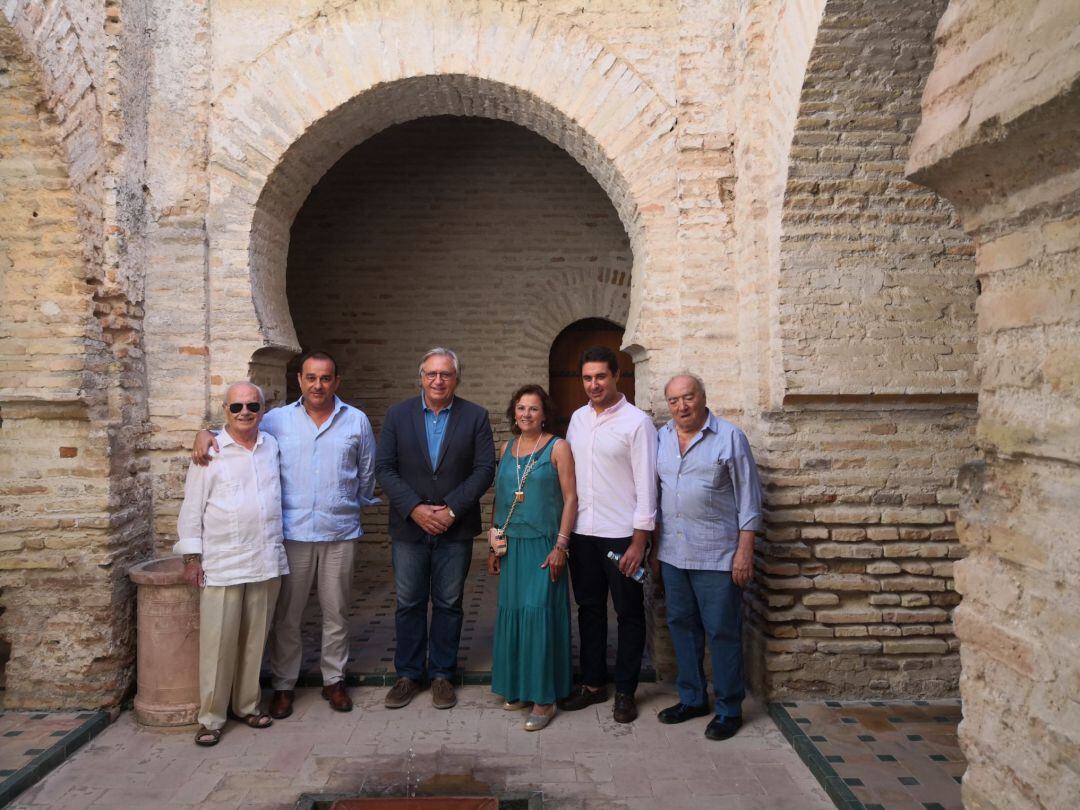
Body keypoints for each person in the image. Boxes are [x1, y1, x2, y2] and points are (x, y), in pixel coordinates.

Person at [192, 351, 378, 717]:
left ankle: (334, 680)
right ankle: (283, 685)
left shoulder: (356, 421)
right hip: (292, 535)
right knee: (287, 616)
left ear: (336, 382)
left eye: (325, 378)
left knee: (336, 612)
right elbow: (239, 427)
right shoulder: (276, 420)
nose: (318, 385)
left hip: (339, 532)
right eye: (311, 378)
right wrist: (206, 432)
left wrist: (346, 503)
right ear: (300, 381)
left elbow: (367, 473)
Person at [375, 348, 496, 710]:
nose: (438, 380)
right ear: (421, 377)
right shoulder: (398, 415)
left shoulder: (475, 416)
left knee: (449, 603)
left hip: (454, 529)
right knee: (409, 602)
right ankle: (408, 674)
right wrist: (414, 508)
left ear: (457, 378)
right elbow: (384, 467)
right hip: (409, 528)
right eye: (431, 374)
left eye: (445, 374)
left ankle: (442, 674)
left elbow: (484, 469)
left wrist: (453, 510)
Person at [176, 382, 288, 746]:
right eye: (236, 406)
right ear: (224, 410)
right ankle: (210, 717)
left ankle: (248, 705)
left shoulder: (271, 446)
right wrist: (192, 557)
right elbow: (192, 508)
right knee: (218, 643)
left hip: (264, 558)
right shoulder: (209, 451)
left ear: (263, 409)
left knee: (255, 640)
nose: (244, 412)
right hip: (222, 561)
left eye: (252, 406)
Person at [651, 373, 762, 741]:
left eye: (688, 397)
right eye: (674, 400)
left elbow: (749, 500)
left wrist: (744, 551)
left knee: (722, 632)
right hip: (672, 554)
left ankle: (729, 709)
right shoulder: (661, 438)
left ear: (702, 397)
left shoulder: (730, 437)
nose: (682, 406)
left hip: (717, 555)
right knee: (681, 628)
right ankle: (693, 698)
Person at [560, 346, 658, 724]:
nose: (593, 384)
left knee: (629, 613)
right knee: (588, 610)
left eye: (600, 376)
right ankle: (594, 684)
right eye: (587, 378)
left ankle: (626, 692)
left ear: (617, 375)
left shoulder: (638, 423)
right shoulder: (577, 419)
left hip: (622, 537)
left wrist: (639, 540)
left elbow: (647, 486)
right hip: (583, 534)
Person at [488, 385, 578, 731]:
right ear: (514, 412)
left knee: (539, 614)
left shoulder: (559, 447)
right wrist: (492, 544)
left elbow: (571, 499)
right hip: (512, 545)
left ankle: (545, 698)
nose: (526, 414)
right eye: (521, 408)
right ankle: (521, 687)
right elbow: (500, 498)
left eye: (534, 409)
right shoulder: (506, 448)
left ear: (545, 414)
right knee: (514, 614)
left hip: (545, 545)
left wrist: (561, 545)